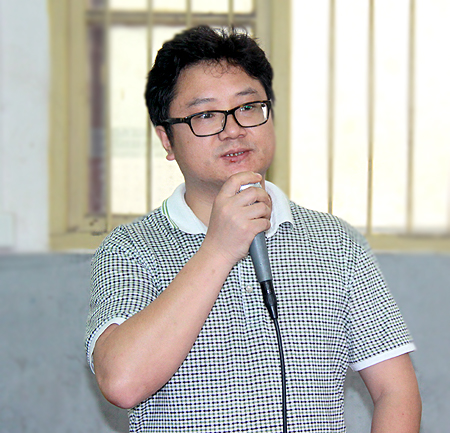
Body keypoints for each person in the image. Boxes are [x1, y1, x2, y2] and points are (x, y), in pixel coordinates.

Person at [85, 25, 421, 432]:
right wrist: (219, 248)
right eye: (205, 115)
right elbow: (122, 383)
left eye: (248, 107)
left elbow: (395, 391)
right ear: (167, 140)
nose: (233, 129)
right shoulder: (131, 248)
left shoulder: (335, 242)